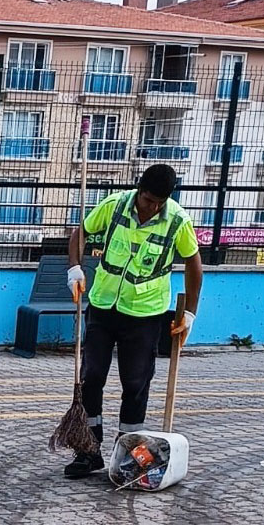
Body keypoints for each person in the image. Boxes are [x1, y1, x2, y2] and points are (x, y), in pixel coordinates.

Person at [63, 163, 202, 478]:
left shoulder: (177, 220)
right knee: (92, 377)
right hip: (103, 305)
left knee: (136, 384)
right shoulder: (114, 206)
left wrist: (190, 312)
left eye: (159, 202)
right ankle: (88, 450)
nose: (152, 207)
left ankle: (127, 454)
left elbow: (194, 264)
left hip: (145, 314)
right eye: (149, 199)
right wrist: (74, 268)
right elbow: (80, 233)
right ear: (140, 191)